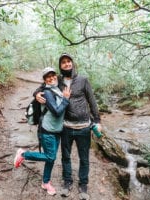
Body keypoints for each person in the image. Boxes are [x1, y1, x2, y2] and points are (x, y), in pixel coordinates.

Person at [35, 53, 102, 200]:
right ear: (60, 66)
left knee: (84, 158)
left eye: (68, 61)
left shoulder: (83, 80)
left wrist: (97, 121)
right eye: (63, 62)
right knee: (66, 157)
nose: (66, 64)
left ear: (72, 63)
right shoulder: (58, 80)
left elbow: (92, 101)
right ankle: (67, 182)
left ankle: (83, 185)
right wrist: (36, 94)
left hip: (84, 126)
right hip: (65, 127)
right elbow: (42, 86)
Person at [13, 67, 71, 196]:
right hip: (47, 130)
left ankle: (45, 182)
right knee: (51, 156)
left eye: (53, 75)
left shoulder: (57, 88)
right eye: (48, 77)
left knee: (50, 159)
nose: (51, 78)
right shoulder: (47, 92)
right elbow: (56, 112)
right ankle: (23, 154)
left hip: (57, 130)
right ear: (44, 80)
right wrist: (66, 99)